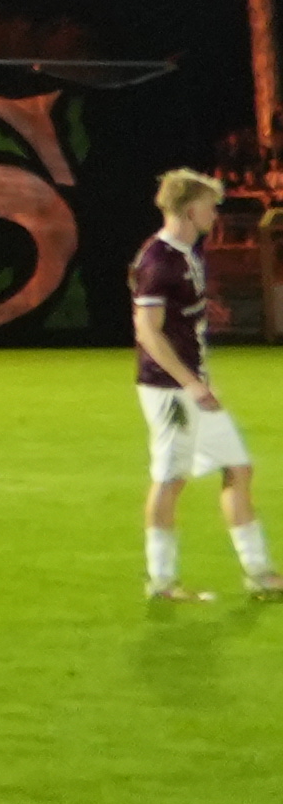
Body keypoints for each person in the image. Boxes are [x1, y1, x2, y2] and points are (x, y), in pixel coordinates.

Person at [134, 168, 279, 601]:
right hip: (171, 391)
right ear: (190, 208)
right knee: (171, 479)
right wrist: (191, 385)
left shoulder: (184, 254)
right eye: (210, 206)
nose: (215, 215)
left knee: (238, 468)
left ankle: (259, 573)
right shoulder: (158, 261)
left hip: (192, 386)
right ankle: (161, 581)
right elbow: (148, 332)